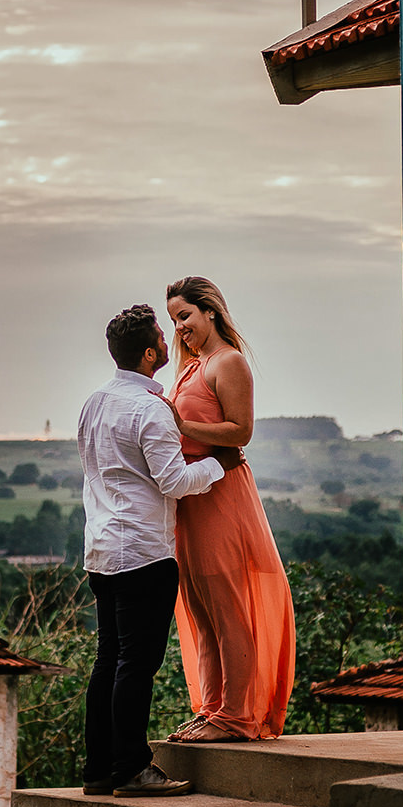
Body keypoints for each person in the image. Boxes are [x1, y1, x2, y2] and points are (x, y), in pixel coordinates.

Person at [78, 303, 234, 796]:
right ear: (150, 355)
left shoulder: (94, 403)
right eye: (163, 341)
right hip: (144, 552)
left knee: (109, 661)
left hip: (102, 550)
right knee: (136, 665)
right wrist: (219, 465)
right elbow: (174, 480)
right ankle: (132, 767)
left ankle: (99, 769)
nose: (172, 343)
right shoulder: (151, 409)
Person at [163, 275, 295, 743]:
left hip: (221, 493)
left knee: (227, 605)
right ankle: (212, 707)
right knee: (199, 607)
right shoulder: (189, 368)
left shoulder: (229, 362)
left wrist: (182, 423)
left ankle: (237, 716)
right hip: (190, 499)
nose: (180, 327)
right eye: (174, 319)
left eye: (185, 316)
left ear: (211, 312)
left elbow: (240, 431)